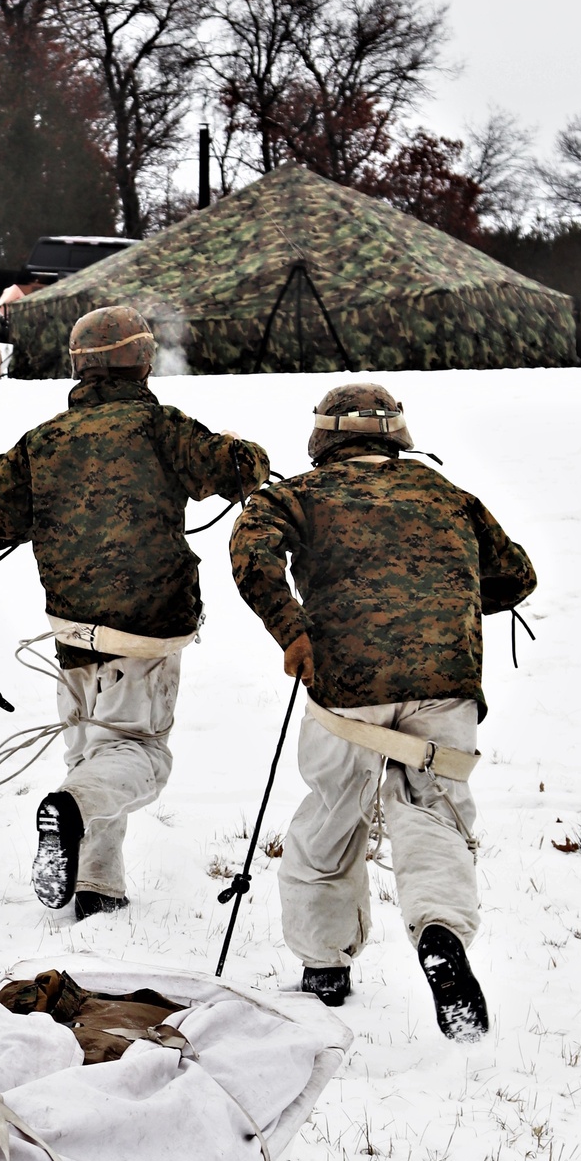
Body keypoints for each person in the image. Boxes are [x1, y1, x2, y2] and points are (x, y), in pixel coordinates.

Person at [229, 382, 536, 1036]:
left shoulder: (298, 495)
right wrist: (436, 600)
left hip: (347, 686)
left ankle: (324, 967)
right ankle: (441, 934)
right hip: (445, 680)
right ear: (398, 435)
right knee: (433, 817)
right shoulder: (447, 495)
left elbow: (250, 552)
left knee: (333, 817)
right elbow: (516, 575)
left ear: (322, 439)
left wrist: (291, 629)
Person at [0, 304, 269, 917]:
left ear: (81, 366)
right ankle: (71, 814)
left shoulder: (43, 441)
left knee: (89, 755)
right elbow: (239, 470)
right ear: (141, 361)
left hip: (71, 631)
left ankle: (98, 888)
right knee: (137, 754)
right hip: (146, 632)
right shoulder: (160, 428)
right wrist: (242, 449)